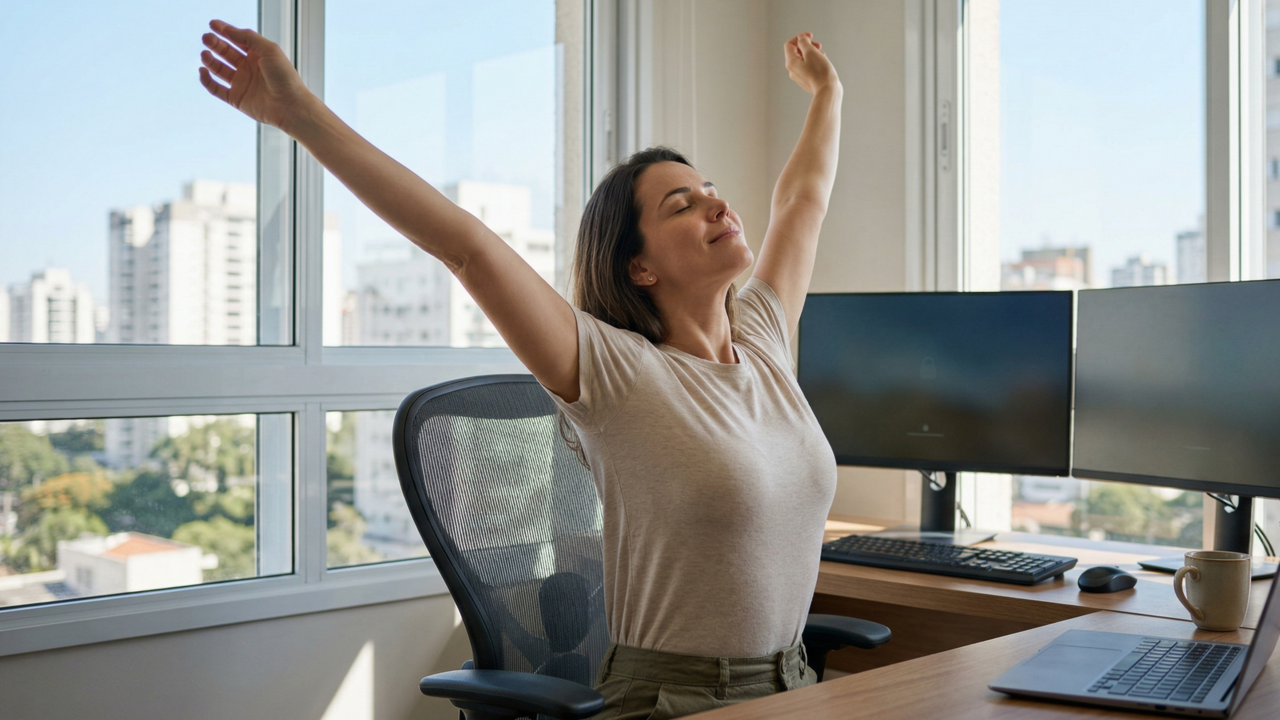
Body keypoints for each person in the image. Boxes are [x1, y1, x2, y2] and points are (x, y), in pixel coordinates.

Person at [200, 19, 842, 719]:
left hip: (794, 685)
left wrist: (827, 93)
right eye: (681, 205)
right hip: (674, 702)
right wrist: (300, 114)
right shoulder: (617, 373)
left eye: (711, 189)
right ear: (640, 266)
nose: (719, 204)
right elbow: (466, 247)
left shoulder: (766, 340)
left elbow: (801, 201)